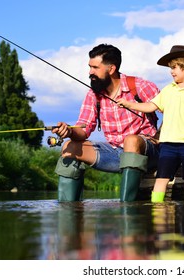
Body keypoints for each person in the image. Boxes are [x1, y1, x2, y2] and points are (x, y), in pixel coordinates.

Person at [52, 43, 160, 202]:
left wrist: (165, 140)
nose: (90, 72)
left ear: (111, 69)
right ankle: (69, 211)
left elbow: (172, 111)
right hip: (114, 153)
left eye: (95, 67)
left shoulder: (139, 86)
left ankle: (126, 208)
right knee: (69, 146)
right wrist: (69, 131)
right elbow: (83, 128)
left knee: (131, 140)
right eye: (89, 67)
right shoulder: (93, 94)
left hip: (147, 152)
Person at [117, 45, 184, 202]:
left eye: (175, 67)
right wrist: (129, 104)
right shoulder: (168, 90)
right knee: (161, 178)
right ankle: (157, 209)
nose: (171, 71)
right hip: (168, 144)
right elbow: (150, 106)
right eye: (171, 67)